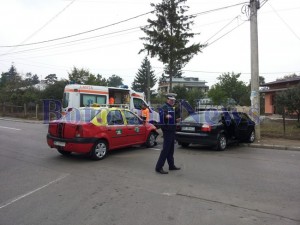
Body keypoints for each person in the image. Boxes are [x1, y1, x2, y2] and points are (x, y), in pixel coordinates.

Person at [155, 93, 181, 174]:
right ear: (167, 99)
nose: (172, 101)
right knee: (166, 149)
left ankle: (171, 165)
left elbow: (171, 118)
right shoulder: (164, 106)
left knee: (171, 149)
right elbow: (162, 113)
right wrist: (166, 116)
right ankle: (159, 167)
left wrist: (176, 120)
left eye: (173, 100)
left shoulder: (170, 107)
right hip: (167, 130)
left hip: (172, 129)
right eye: (171, 100)